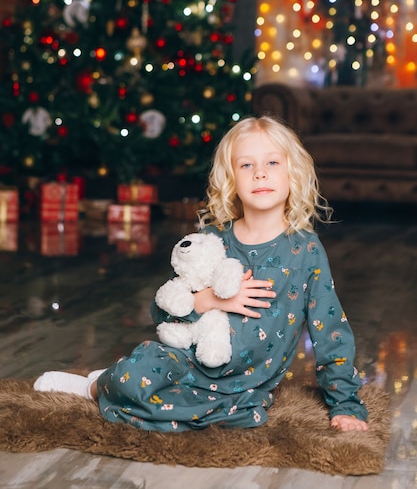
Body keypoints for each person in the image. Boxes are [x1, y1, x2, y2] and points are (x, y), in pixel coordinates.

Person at [34, 115, 368, 433]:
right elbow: (162, 311)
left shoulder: (305, 250)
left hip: (244, 387)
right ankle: (94, 386)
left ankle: (132, 391)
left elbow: (330, 330)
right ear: (231, 178)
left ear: (292, 172)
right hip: (185, 362)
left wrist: (346, 404)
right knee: (137, 376)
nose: (260, 174)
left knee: (238, 417)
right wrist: (207, 300)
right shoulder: (213, 239)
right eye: (246, 165)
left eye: (272, 163)